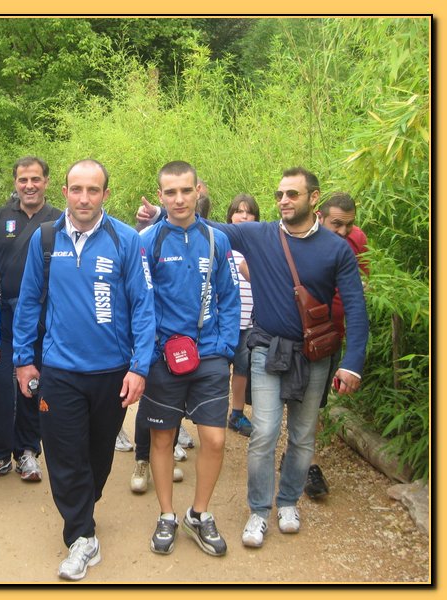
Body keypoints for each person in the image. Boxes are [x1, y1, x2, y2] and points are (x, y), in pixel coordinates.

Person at [194, 167, 368, 548]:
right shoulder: (259, 235)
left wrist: (352, 361)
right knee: (264, 432)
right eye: (279, 195)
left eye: (292, 194)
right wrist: (187, 202)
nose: (284, 201)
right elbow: (206, 228)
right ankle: (258, 511)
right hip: (268, 349)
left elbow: (356, 307)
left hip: (315, 355)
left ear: (314, 198)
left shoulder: (337, 249)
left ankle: (288, 502)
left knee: (303, 436)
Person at [13, 159, 155, 580]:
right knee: (64, 453)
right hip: (59, 370)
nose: (84, 198)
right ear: (65, 193)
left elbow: (144, 307)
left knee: (98, 455)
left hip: (111, 372)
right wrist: (23, 359)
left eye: (93, 190)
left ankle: (83, 509)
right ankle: (80, 535)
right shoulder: (45, 238)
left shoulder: (126, 240)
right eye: (76, 189)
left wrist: (139, 367)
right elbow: (28, 302)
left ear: (106, 195)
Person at [136, 161, 240, 557]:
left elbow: (230, 296)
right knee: (162, 438)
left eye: (185, 190)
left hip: (210, 353)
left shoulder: (217, 240)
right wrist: (148, 353)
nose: (179, 199)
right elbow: (139, 301)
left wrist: (226, 346)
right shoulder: (147, 240)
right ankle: (167, 514)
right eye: (170, 192)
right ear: (160, 195)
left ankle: (199, 514)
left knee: (214, 438)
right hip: (163, 357)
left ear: (199, 190)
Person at [0, 157, 62, 483]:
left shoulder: (58, 220)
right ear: (15, 182)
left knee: (33, 383)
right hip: (1, 315)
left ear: (46, 181)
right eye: (23, 179)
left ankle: (28, 450)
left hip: (42, 316)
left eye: (36, 179)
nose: (29, 185)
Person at [302, 192, 369, 499]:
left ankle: (298, 454)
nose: (343, 231)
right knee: (306, 401)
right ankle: (307, 464)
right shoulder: (304, 238)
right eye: (336, 224)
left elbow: (361, 289)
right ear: (320, 216)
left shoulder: (357, 240)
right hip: (307, 335)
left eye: (348, 225)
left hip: (335, 335)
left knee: (316, 402)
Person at [225, 194, 261, 437]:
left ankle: (236, 413)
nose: (244, 216)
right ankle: (212, 411)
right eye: (239, 211)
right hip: (224, 320)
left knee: (242, 368)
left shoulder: (258, 247)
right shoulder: (221, 243)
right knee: (217, 368)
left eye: (249, 212)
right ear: (230, 216)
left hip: (248, 320)